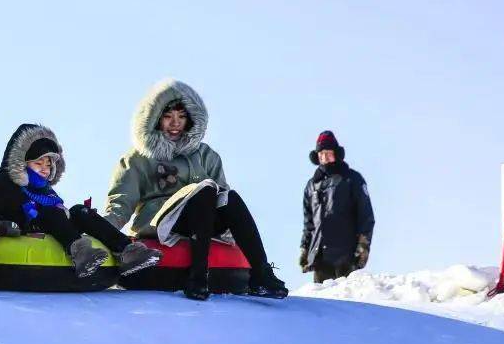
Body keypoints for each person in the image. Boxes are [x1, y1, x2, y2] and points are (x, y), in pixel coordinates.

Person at [105, 79, 287, 300]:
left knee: (227, 196)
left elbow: (222, 199)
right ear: (154, 118)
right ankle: (198, 275)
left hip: (203, 220)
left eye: (181, 117)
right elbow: (121, 202)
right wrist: (102, 230)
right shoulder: (138, 159)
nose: (175, 124)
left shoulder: (206, 155)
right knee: (203, 191)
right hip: (160, 224)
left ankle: (261, 273)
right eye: (168, 116)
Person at [0, 124, 163, 278]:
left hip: (51, 224)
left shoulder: (46, 191)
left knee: (81, 211)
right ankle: (80, 253)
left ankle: (127, 251)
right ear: (22, 163)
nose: (45, 169)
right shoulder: (1, 181)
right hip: (21, 226)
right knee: (53, 212)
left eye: (49, 164)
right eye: (38, 163)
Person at [300, 130, 375, 282]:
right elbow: (309, 224)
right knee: (320, 303)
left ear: (336, 153)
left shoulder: (352, 179)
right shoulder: (312, 185)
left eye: (328, 152)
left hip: (346, 257)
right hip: (320, 258)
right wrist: (304, 249)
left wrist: (363, 247)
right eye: (321, 153)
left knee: (345, 301)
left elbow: (366, 216)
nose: (324, 157)